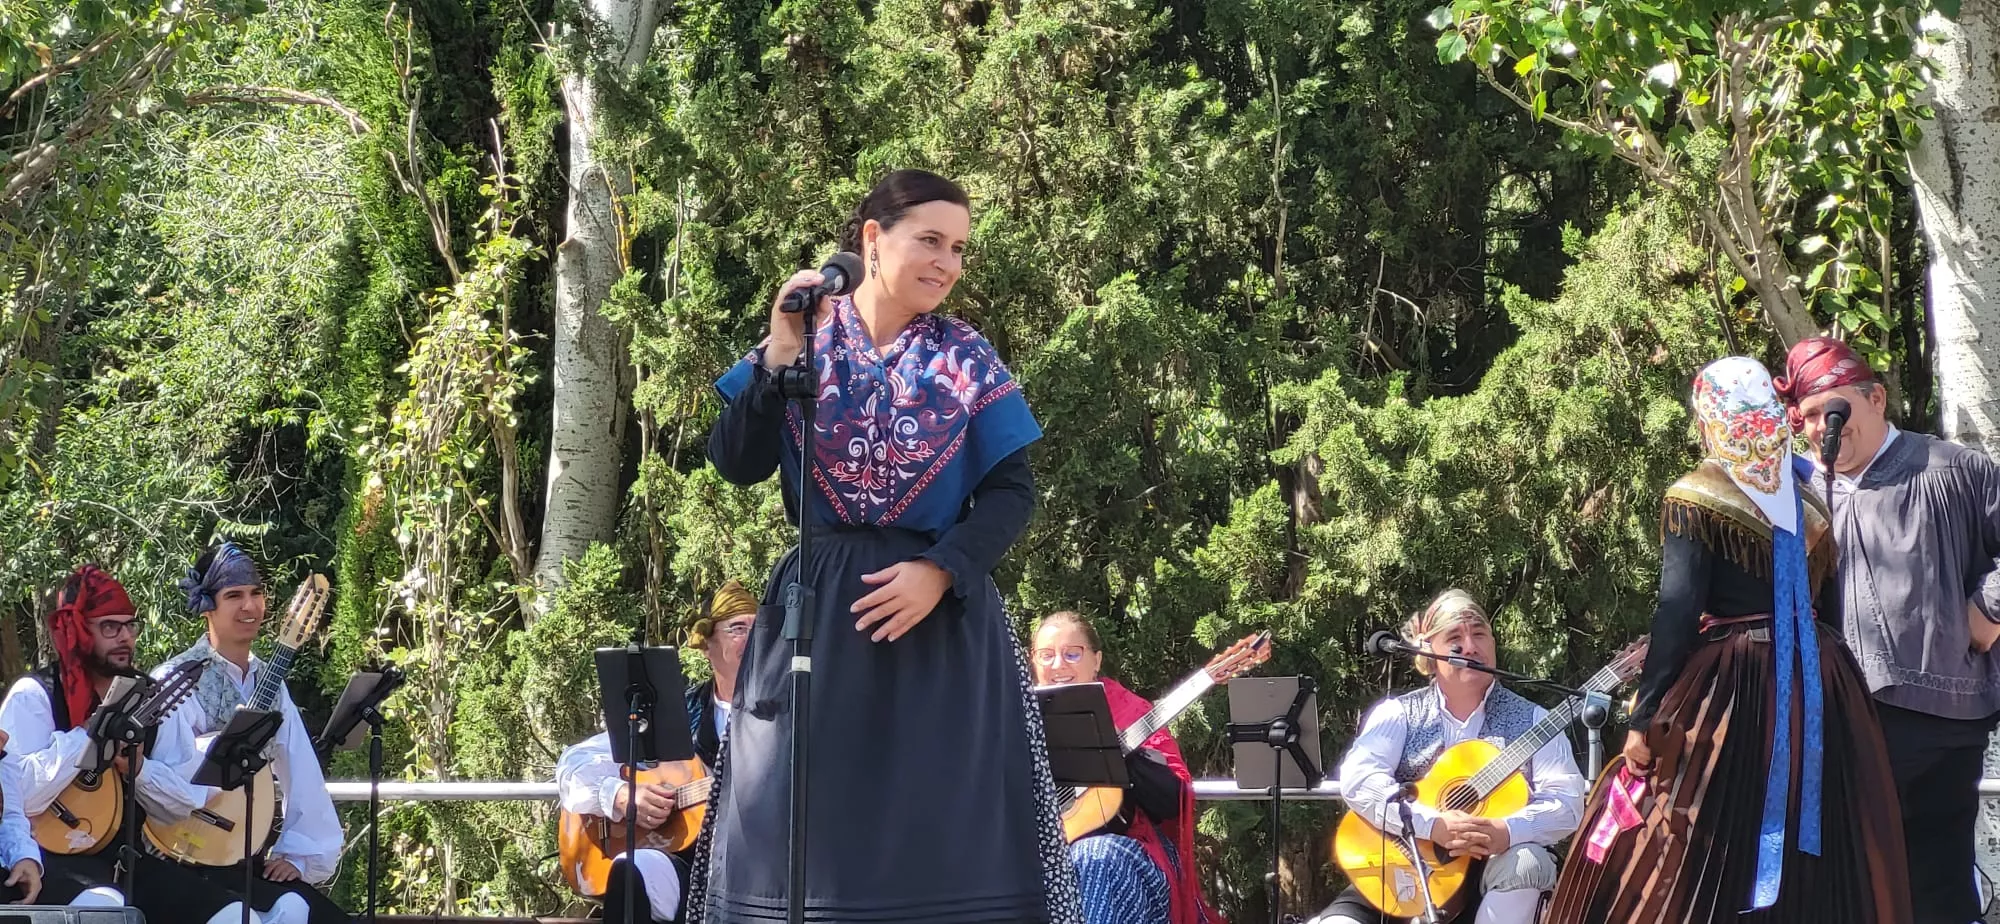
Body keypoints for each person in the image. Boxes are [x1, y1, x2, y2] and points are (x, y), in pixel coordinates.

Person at [695, 168, 1079, 923]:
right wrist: (778, 352)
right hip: (816, 621)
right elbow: (734, 462)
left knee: (941, 838)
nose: (947, 263)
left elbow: (1011, 494)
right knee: (800, 831)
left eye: (960, 248)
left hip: (939, 630)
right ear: (872, 238)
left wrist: (940, 570)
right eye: (929, 240)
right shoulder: (804, 342)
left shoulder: (968, 357)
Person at [1546, 356, 1910, 924]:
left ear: (1709, 416)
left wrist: (1644, 718)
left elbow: (1677, 615)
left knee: (1687, 831)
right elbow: (1829, 606)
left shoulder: (1697, 494)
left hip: (1733, 686)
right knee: (1830, 832)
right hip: (1821, 682)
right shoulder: (1811, 494)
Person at [1776, 336, 2000, 924]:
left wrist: (1985, 615)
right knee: (1851, 882)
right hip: (1842, 716)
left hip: (1940, 714)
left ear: (1876, 398)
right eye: (1812, 416)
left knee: (1932, 882)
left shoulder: (1954, 468)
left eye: (1838, 409)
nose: (1827, 427)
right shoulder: (1803, 495)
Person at [1310, 590, 1584, 924]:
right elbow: (1359, 779)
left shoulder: (1535, 720)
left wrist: (1505, 830)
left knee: (1529, 862)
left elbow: (1567, 804)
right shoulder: (1398, 714)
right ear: (1430, 654)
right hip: (1401, 869)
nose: (1470, 646)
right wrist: (1432, 825)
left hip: (1493, 874)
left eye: (1479, 634)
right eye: (1454, 636)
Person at [0, 564, 255, 921]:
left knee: (234, 916)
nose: (125, 637)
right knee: (104, 911)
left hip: (127, 861)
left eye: (129, 625)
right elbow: (17, 794)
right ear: (77, 631)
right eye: (110, 626)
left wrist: (138, 769)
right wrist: (87, 736)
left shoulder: (149, 697)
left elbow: (181, 804)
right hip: (46, 857)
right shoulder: (36, 695)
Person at [155, 542, 351, 924]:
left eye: (256, 593)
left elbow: (301, 768)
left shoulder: (270, 682)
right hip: (180, 855)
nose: (249, 606)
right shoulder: (177, 680)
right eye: (234, 596)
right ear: (207, 605)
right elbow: (164, 774)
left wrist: (297, 854)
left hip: (244, 855)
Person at [1029, 611, 1222, 924]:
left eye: (1072, 654)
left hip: (1132, 857)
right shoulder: (1012, 717)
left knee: (1094, 857)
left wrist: (1118, 752)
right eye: (1046, 655)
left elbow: (1170, 799)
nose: (1058, 665)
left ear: (1096, 660)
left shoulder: (1130, 713)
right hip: (1045, 857)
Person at [556, 732, 689, 924]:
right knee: (629, 869)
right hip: (669, 867)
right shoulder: (684, 719)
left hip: (726, 874)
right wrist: (619, 795)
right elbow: (572, 764)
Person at [682, 581, 757, 768]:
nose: (753, 639)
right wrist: (619, 791)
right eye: (738, 629)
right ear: (706, 644)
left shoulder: (788, 705)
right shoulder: (683, 709)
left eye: (757, 629)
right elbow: (598, 756)